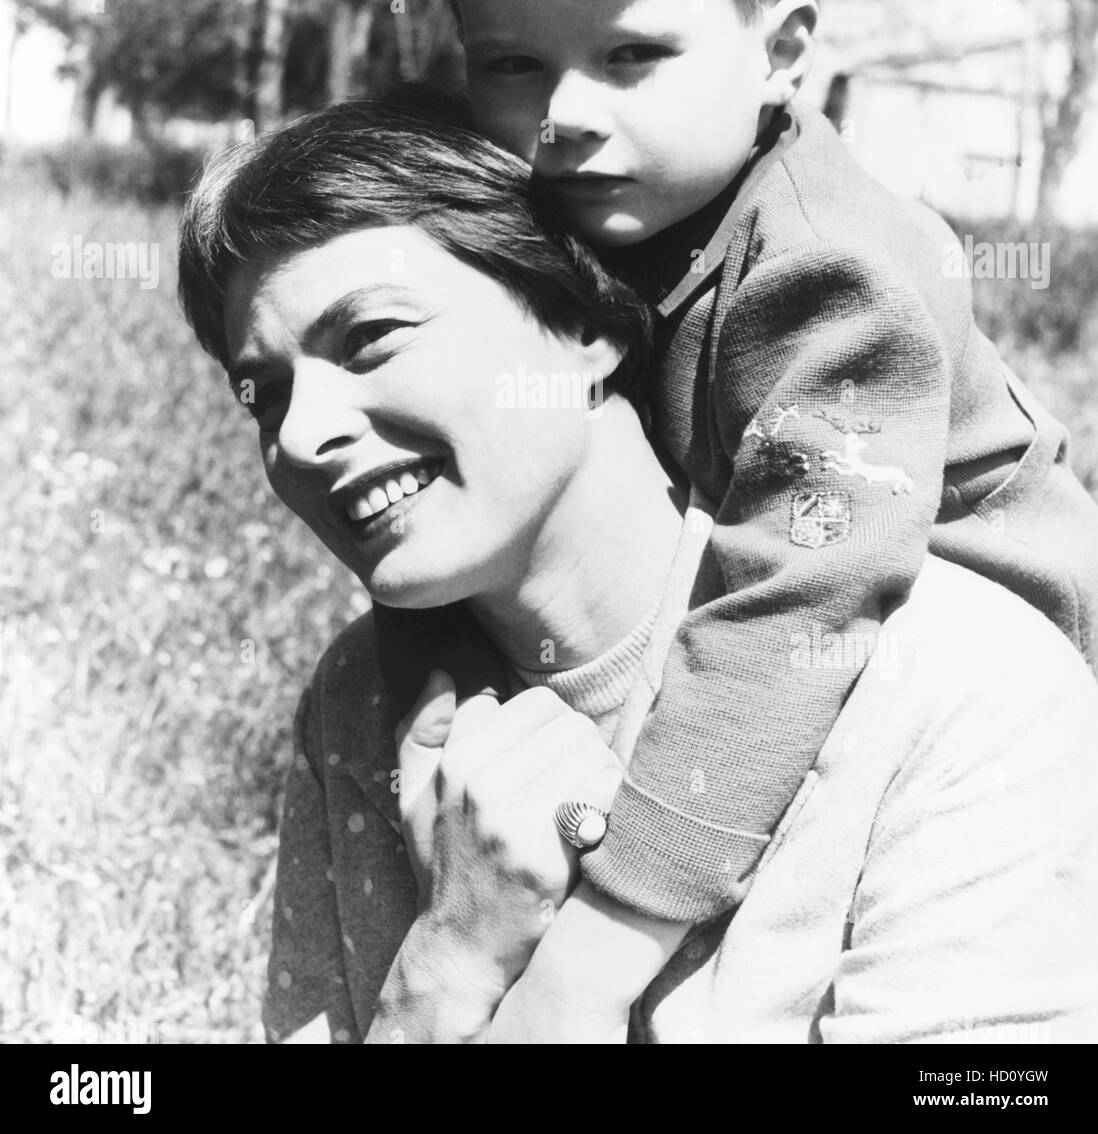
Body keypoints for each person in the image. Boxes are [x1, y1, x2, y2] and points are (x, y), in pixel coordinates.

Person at [412, 0, 1098, 1029]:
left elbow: (806, 597)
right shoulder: (607, 208)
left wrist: (598, 949)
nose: (565, 114)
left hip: (949, 671)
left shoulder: (829, 273)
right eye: (512, 65)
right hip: (767, 652)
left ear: (782, 54)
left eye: (632, 55)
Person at [176, 97, 1098, 1043]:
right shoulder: (363, 707)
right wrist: (448, 962)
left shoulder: (953, 685)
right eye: (269, 394)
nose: (299, 433)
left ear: (585, 325)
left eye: (370, 339)